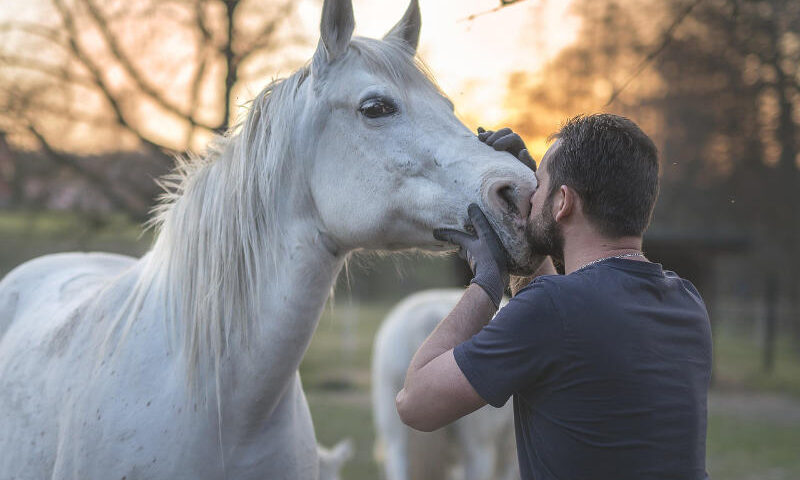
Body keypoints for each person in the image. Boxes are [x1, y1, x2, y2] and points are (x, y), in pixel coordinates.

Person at [395, 114, 712, 480]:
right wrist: (528, 225)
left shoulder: (553, 309)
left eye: (539, 185)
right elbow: (562, 320)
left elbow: (415, 403)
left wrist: (486, 281)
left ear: (563, 202)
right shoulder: (687, 302)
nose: (530, 196)